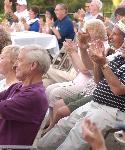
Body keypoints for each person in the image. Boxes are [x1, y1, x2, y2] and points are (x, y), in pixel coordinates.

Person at [37, 18, 125, 150]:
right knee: (62, 127)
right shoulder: (118, 55)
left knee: (74, 139)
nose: (123, 44)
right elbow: (97, 79)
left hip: (112, 111)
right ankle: (39, 147)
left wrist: (103, 63)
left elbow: (118, 89)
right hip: (95, 103)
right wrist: (94, 58)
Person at [0, 45, 51, 145]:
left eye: (19, 60)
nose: (15, 65)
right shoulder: (19, 86)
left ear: (33, 65)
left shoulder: (33, 96)